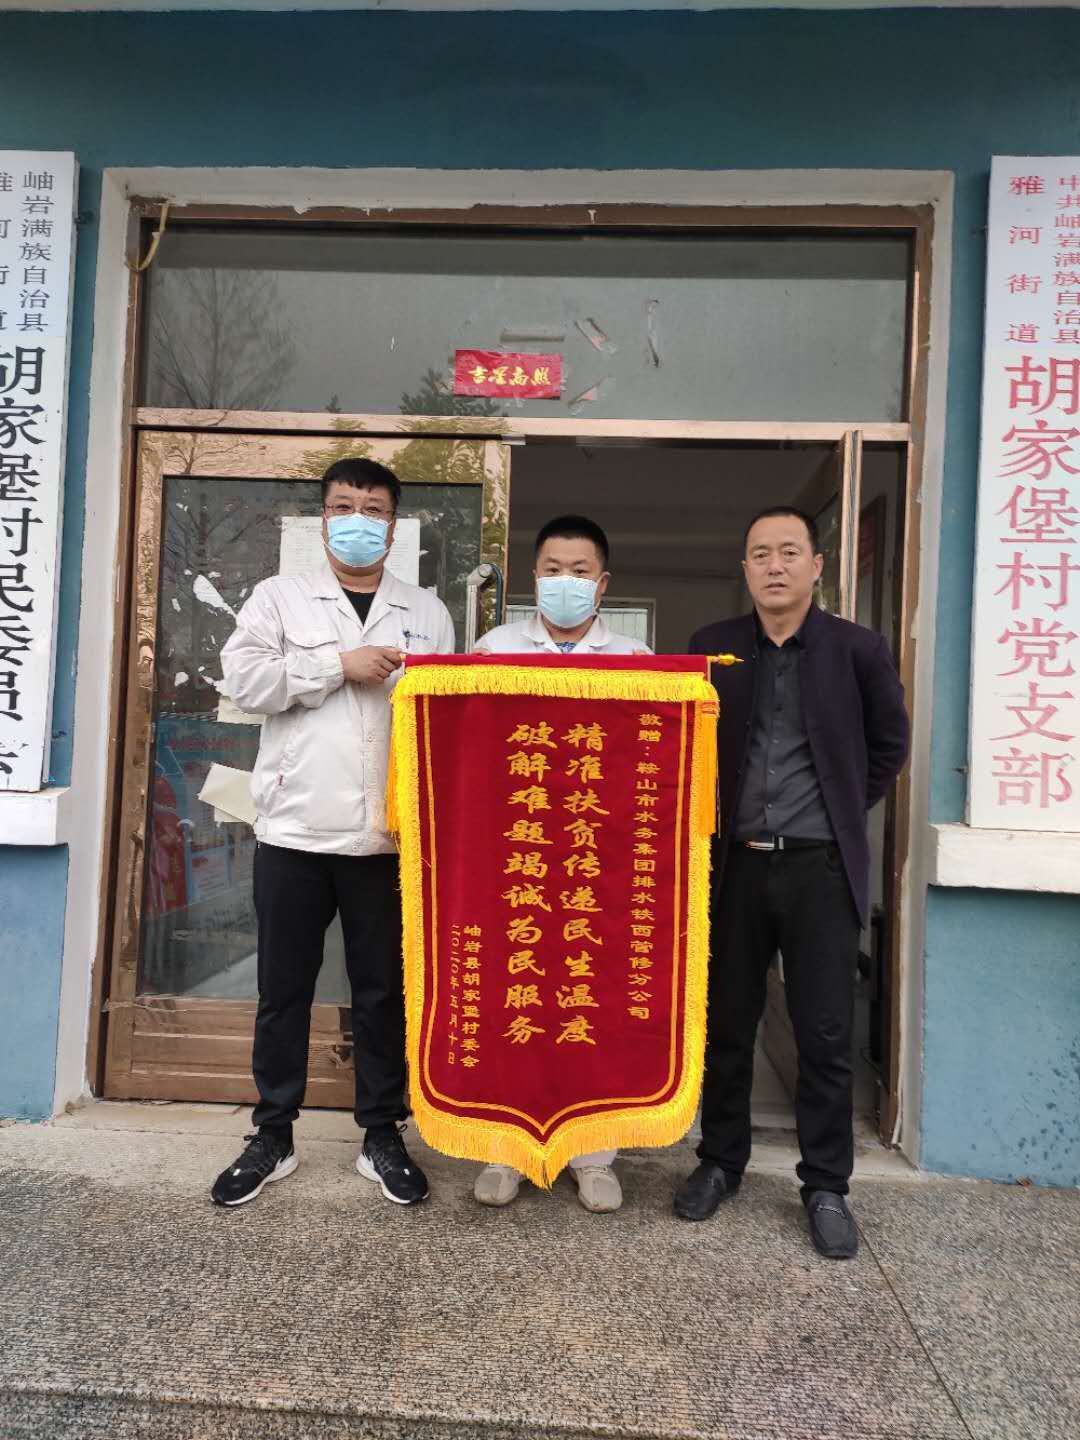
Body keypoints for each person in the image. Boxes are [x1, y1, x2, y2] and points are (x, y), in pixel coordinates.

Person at [210, 458, 455, 1209]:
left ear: (394, 525)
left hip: (387, 838)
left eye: (373, 509)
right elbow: (243, 682)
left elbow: (448, 714)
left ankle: (382, 1133)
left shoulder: (427, 612)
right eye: (343, 506)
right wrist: (335, 665)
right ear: (323, 519)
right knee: (283, 991)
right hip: (294, 831)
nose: (357, 521)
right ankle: (272, 1134)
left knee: (383, 993)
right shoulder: (279, 597)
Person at [674, 506, 909, 1258]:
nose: (774, 566)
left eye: (788, 552)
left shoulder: (858, 649)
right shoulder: (712, 649)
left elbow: (889, 745)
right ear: (744, 568)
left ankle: (826, 1185)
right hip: (734, 867)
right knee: (727, 1025)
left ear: (816, 565)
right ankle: (720, 1161)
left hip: (819, 869)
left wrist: (837, 809)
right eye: (759, 554)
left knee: (826, 1033)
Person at [472, 514, 652, 1214]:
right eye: (553, 569)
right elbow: (472, 755)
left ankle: (594, 1156)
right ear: (534, 577)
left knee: (588, 1002)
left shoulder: (635, 661)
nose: (565, 581)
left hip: (594, 864)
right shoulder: (493, 650)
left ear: (603, 584)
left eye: (580, 571)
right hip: (513, 860)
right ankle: (506, 1150)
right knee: (514, 999)